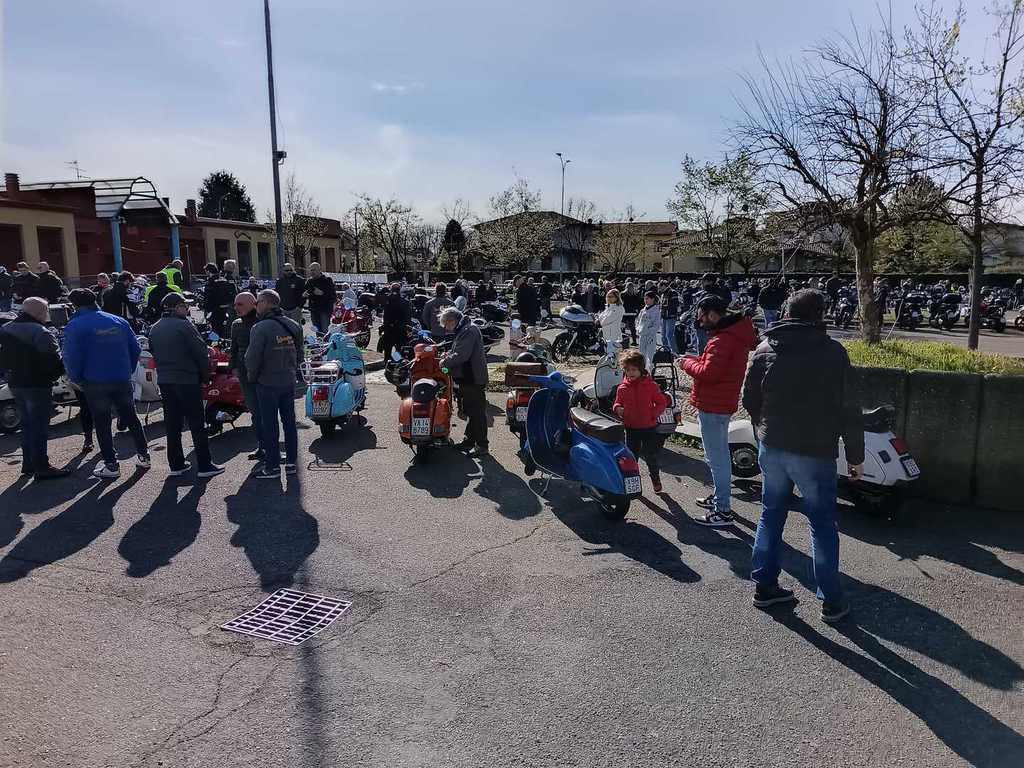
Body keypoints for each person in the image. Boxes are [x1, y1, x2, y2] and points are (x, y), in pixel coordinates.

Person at [742, 289, 863, 623]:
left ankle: (764, 587)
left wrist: (763, 430)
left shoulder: (765, 348)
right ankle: (831, 600)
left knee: (770, 513)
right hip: (814, 449)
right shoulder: (833, 352)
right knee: (822, 523)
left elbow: (749, 399)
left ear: (786, 312)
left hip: (773, 445)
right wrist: (856, 455)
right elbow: (849, 408)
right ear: (819, 314)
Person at [680, 294, 757, 526]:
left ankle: (723, 510)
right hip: (722, 402)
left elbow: (709, 373)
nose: (700, 321)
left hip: (713, 404)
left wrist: (686, 363)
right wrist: (695, 359)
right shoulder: (733, 334)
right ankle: (718, 497)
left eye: (702, 316)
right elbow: (713, 365)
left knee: (717, 458)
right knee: (719, 455)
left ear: (713, 314)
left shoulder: (722, 339)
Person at [62, 288, 151, 479]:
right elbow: (135, 348)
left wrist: (76, 378)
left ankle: (111, 464)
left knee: (102, 422)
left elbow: (71, 357)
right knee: (131, 417)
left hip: (94, 381)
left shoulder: (75, 325)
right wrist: (127, 369)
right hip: (121, 377)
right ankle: (144, 455)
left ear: (75, 305)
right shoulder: (118, 321)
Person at [148, 293, 224, 478]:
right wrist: (206, 376)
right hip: (187, 379)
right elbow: (200, 353)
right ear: (176, 307)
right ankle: (205, 465)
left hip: (165, 380)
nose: (187, 309)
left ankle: (176, 464)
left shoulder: (154, 328)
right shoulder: (184, 325)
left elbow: (153, 353)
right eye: (185, 305)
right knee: (197, 423)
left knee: (172, 424)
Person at [0, 297, 68, 479]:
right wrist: (54, 376)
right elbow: (54, 362)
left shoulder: (5, 328)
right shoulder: (41, 332)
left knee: (27, 424)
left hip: (15, 383)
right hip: (37, 384)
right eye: (45, 310)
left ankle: (28, 464)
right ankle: (42, 466)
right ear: (39, 312)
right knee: (39, 426)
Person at [245, 289, 303, 479]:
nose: (256, 305)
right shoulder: (293, 325)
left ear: (268, 303)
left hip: (267, 383)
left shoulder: (260, 328)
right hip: (288, 381)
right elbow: (300, 353)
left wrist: (252, 377)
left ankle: (272, 467)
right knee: (290, 423)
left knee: (269, 425)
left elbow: (252, 358)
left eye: (258, 301)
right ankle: (292, 463)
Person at [613, 349, 670, 493]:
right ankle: (633, 483)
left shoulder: (650, 386)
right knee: (632, 458)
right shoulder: (622, 388)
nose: (630, 373)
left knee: (651, 456)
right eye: (627, 370)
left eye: (634, 370)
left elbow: (662, 402)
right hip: (631, 428)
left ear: (641, 369)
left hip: (649, 427)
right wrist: (618, 408)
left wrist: (653, 414)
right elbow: (617, 402)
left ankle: (655, 479)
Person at [439, 307, 489, 457]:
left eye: (446, 325)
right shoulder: (464, 329)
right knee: (470, 411)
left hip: (472, 377)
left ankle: (482, 445)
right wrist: (448, 354)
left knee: (477, 413)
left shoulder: (468, 330)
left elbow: (461, 355)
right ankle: (469, 440)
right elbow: (459, 350)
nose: (446, 329)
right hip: (468, 377)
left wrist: (445, 362)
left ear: (452, 320)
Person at [230, 292, 264, 461]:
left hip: (263, 372)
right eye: (235, 305)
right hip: (245, 373)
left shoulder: (263, 322)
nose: (236, 308)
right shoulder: (236, 325)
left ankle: (270, 447)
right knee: (254, 411)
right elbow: (234, 349)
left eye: (240, 304)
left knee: (266, 411)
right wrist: (233, 367)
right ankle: (262, 446)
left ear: (253, 304)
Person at [380, 282, 413, 360]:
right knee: (399, 349)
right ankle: (396, 362)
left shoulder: (387, 300)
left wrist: (385, 325)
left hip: (389, 329)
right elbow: (408, 317)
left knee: (388, 350)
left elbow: (385, 315)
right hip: (400, 330)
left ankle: (388, 363)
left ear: (391, 289)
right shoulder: (405, 302)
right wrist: (407, 328)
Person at [304, 262, 337, 335]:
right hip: (314, 310)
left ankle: (327, 342)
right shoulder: (310, 281)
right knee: (317, 331)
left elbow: (333, 296)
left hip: (324, 310)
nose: (312, 272)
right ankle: (319, 342)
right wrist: (305, 295)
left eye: (314, 270)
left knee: (325, 331)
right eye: (311, 270)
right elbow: (305, 292)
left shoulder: (327, 280)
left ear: (319, 270)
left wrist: (322, 293)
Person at [204, 264, 235, 337]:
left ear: (208, 271)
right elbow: (231, 292)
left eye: (206, 271)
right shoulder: (223, 279)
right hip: (226, 307)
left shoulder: (210, 281)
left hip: (215, 308)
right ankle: (224, 339)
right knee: (223, 328)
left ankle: (215, 342)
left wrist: (206, 308)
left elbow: (208, 296)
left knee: (214, 329)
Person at [636, 290, 661, 371]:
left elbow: (656, 325)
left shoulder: (656, 311)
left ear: (652, 299)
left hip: (650, 337)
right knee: (641, 356)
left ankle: (649, 373)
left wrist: (648, 330)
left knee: (650, 356)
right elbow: (638, 321)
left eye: (647, 298)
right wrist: (638, 329)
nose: (645, 300)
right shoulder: (642, 310)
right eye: (644, 298)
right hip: (642, 336)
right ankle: (642, 372)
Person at [597, 289, 625, 358]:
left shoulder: (619, 308)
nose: (608, 298)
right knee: (607, 354)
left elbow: (605, 321)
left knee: (613, 356)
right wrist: (599, 319)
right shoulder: (608, 308)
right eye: (607, 296)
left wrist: (600, 320)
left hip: (614, 335)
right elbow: (600, 317)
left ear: (616, 298)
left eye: (611, 296)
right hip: (606, 335)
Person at [659, 280, 680, 355]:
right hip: (664, 316)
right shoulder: (663, 294)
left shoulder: (673, 292)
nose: (659, 289)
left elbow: (675, 304)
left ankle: (675, 351)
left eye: (660, 287)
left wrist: (666, 307)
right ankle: (666, 350)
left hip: (671, 316)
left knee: (669, 334)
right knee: (663, 335)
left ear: (663, 286)